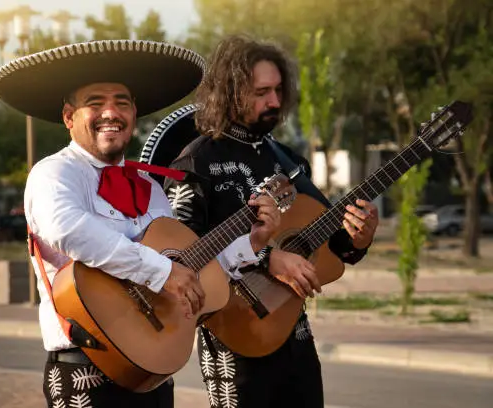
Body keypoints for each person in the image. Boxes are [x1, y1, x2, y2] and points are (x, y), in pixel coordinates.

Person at [0, 39, 283, 408]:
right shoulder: (55, 173)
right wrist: (159, 271)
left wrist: (250, 244)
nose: (111, 112)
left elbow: (188, 268)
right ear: (68, 117)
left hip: (154, 372)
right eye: (95, 103)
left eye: (122, 103)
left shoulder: (151, 189)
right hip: (85, 368)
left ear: (133, 114)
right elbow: (68, 230)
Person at [160, 35, 380, 407]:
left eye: (278, 90)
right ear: (229, 92)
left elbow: (330, 243)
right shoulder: (196, 163)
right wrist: (267, 259)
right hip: (233, 339)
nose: (275, 102)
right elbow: (179, 257)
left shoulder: (290, 160)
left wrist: (359, 238)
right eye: (262, 92)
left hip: (296, 337)